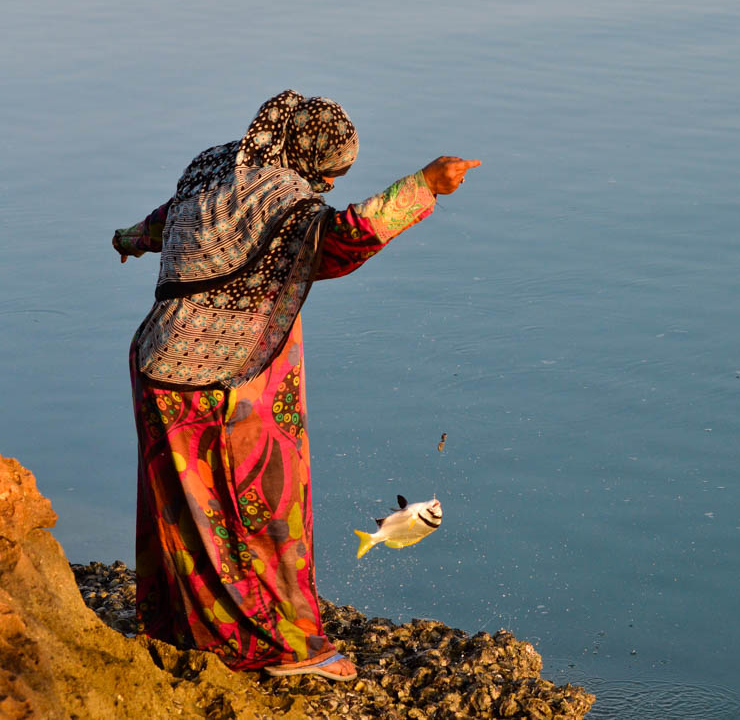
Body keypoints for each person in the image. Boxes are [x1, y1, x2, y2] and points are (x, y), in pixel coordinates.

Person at [112, 90, 479, 681]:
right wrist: (425, 187)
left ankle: (185, 629)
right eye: (329, 175)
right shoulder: (287, 200)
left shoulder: (214, 168)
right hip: (228, 377)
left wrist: (128, 239)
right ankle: (280, 648)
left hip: (158, 364)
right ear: (309, 159)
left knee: (186, 514)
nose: (327, 188)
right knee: (260, 510)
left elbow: (167, 220)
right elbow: (342, 239)